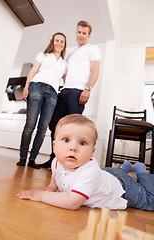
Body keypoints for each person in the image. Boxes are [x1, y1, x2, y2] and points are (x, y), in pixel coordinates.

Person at [17, 114, 154, 211]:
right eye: (66, 140)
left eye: (82, 143)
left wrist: (42, 195)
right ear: (54, 146)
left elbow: (72, 203)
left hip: (122, 189)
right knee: (103, 175)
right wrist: (52, 187)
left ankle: (140, 169)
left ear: (92, 152)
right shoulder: (56, 161)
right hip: (104, 175)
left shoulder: (90, 171)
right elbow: (56, 176)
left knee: (150, 200)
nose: (73, 147)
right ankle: (123, 168)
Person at [36, 20, 101, 169]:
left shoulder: (93, 49)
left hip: (78, 92)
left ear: (89, 35)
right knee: (55, 125)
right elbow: (63, 74)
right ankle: (55, 161)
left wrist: (88, 89)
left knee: (75, 128)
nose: (81, 35)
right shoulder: (71, 55)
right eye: (79, 32)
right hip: (63, 92)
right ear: (76, 32)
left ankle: (73, 163)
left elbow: (95, 71)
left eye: (84, 33)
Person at [16, 32, 67, 169]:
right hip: (37, 88)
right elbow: (33, 71)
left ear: (64, 45)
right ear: (53, 42)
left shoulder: (64, 63)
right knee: (30, 124)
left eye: (62, 41)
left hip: (52, 94)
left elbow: (66, 80)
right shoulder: (43, 55)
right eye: (57, 40)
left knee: (43, 128)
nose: (59, 43)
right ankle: (22, 158)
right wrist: (26, 87)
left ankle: (32, 159)